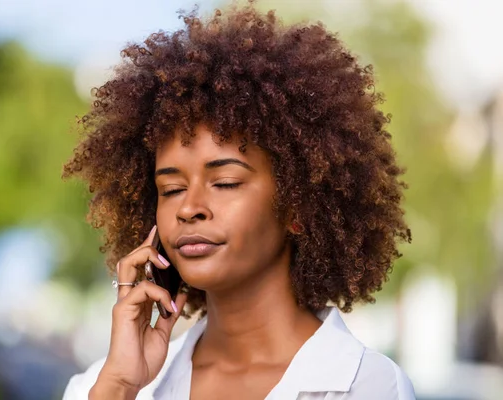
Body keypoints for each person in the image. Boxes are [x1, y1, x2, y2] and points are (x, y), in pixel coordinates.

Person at [61, 2, 415, 399]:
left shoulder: (368, 387)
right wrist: (121, 386)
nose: (188, 207)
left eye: (225, 182)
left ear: (298, 204)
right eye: (171, 189)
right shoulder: (102, 385)